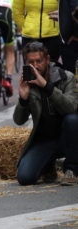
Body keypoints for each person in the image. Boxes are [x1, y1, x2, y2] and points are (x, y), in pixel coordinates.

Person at [13, 42, 78, 186]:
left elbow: (71, 108)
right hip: (45, 140)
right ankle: (49, 165)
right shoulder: (28, 83)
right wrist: (23, 99)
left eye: (39, 61)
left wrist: (47, 87)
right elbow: (18, 120)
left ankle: (71, 170)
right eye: (31, 62)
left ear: (48, 60)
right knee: (25, 178)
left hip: (68, 138)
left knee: (73, 120)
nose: (35, 66)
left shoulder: (66, 77)